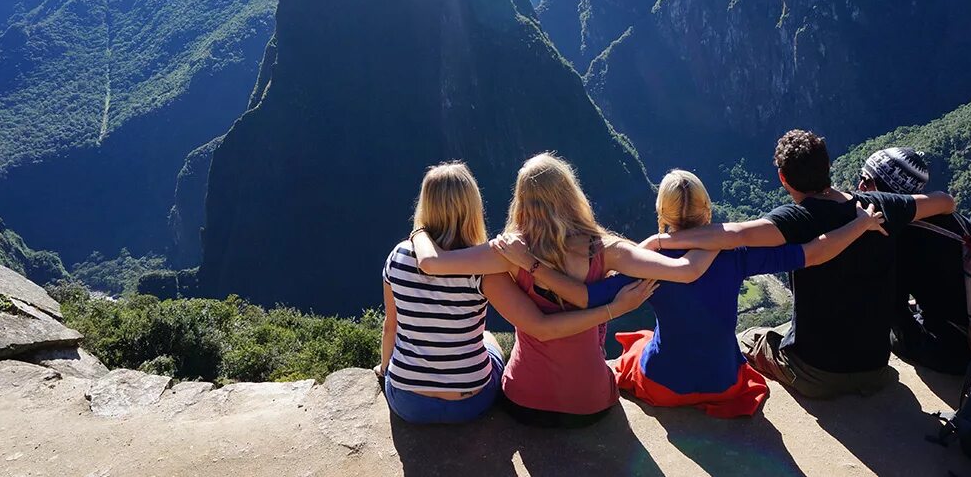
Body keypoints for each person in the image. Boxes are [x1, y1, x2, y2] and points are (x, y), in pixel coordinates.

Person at [493, 169, 889, 418]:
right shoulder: (736, 255)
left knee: (638, 346)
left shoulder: (650, 268)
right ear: (707, 211)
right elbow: (815, 253)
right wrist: (861, 223)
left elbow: (582, 297)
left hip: (665, 384)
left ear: (661, 214)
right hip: (722, 382)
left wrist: (537, 268)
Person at [410, 153, 722, 427]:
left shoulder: (507, 251)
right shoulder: (604, 249)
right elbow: (686, 271)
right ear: (570, 194)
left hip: (525, 402)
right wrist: (711, 233)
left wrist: (420, 229)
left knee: (491, 343)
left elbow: (433, 263)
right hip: (591, 405)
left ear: (520, 200)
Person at [656, 130, 956, 399]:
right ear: (828, 167)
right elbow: (944, 201)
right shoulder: (879, 206)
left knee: (749, 338)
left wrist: (662, 241)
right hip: (876, 368)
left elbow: (734, 234)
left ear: (783, 179)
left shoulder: (795, 220)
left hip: (815, 374)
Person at [377, 162, 656, 424]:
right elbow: (540, 326)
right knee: (489, 340)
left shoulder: (396, 258)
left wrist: (384, 369)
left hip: (410, 404)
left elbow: (391, 328)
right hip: (471, 401)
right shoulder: (485, 270)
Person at [858, 147, 971, 374]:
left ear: (886, 191)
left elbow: (892, 307)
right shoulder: (949, 220)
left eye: (866, 180)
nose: (860, 187)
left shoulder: (898, 237)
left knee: (887, 330)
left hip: (957, 351)